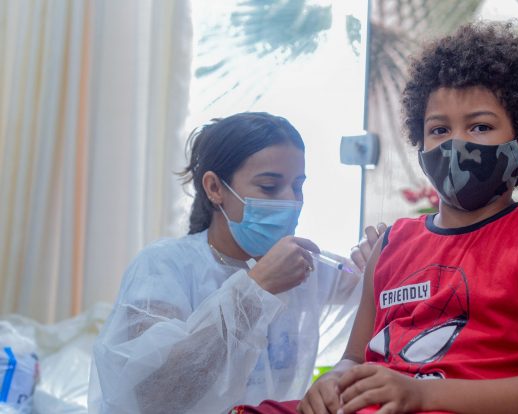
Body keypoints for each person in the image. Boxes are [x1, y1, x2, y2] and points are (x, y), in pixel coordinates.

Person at [298, 22, 518, 414]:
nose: (456, 144)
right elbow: (354, 358)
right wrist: (331, 381)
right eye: (439, 129)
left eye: (480, 126)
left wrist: (422, 394)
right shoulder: (391, 243)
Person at [89, 112, 384, 413]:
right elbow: (153, 393)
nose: (291, 201)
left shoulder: (303, 267)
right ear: (215, 188)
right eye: (269, 187)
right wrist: (256, 290)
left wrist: (383, 259)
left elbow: (378, 299)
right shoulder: (163, 267)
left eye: (298, 186)